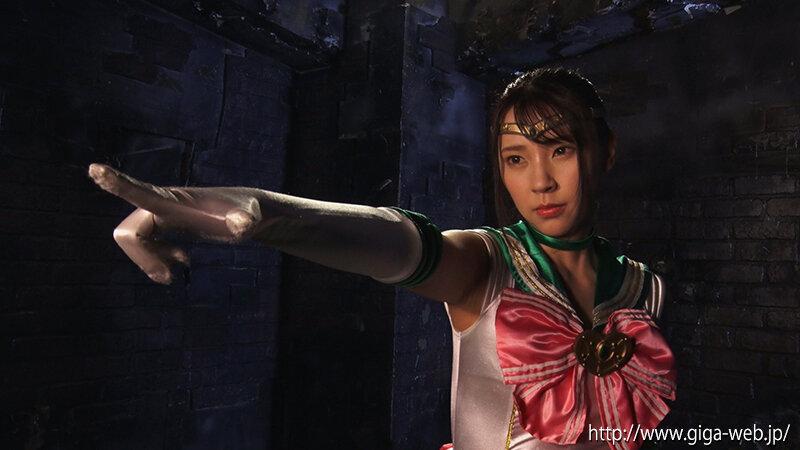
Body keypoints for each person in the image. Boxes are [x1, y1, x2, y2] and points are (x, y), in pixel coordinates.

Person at [89, 68, 675, 450]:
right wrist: (267, 214)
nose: (540, 180)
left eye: (561, 149)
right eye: (516, 158)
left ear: (605, 151)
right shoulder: (488, 262)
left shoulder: (643, 290)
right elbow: (397, 242)